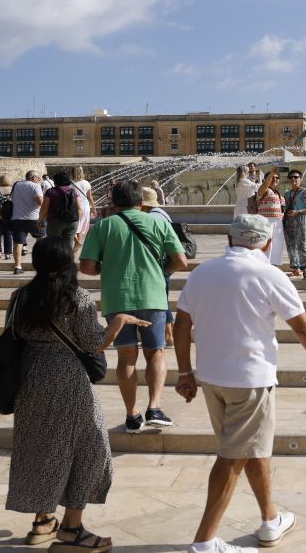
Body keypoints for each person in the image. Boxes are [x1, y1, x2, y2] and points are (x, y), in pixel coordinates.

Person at [174, 214, 306, 553]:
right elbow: (304, 328)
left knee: (251, 449)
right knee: (233, 456)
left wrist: (185, 372)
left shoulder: (202, 273)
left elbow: (182, 323)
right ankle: (204, 542)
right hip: (249, 380)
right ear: (266, 242)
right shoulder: (268, 273)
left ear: (230, 239)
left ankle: (269, 519)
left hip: (212, 378)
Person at [6, 236, 151, 552]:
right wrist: (119, 322)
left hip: (30, 375)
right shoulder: (77, 298)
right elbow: (93, 345)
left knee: (42, 444)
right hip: (67, 378)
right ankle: (72, 527)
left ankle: (42, 520)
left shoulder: (21, 296)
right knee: (91, 446)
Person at [79, 181, 188, 434]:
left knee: (126, 358)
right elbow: (180, 261)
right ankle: (155, 408)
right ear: (141, 202)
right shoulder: (159, 222)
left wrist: (106, 268)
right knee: (156, 352)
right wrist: (162, 272)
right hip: (153, 297)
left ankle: (132, 415)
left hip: (117, 299)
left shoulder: (104, 226)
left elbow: (86, 267)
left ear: (114, 203)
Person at [141, 187, 177, 344]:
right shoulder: (161, 214)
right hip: (165, 262)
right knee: (163, 298)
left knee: (161, 300)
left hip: (158, 264)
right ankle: (169, 333)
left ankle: (168, 334)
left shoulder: (152, 218)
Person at [10, 171, 45, 275]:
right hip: (34, 218)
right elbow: (40, 202)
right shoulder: (35, 186)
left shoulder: (17, 185)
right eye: (39, 178)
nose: (40, 180)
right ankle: (40, 265)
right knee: (40, 241)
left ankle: (17, 266)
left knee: (18, 243)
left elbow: (12, 198)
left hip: (17, 218)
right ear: (33, 177)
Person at [283, 169, 306, 279]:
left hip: (301, 220)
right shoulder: (287, 194)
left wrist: (298, 211)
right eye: (291, 177)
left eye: (296, 177)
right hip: (289, 222)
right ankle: (296, 269)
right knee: (291, 246)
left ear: (300, 178)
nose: (293, 179)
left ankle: (305, 269)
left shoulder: (305, 192)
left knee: (303, 244)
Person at [40, 171, 82, 247]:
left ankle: (56, 258)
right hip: (72, 221)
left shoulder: (50, 191)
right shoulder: (73, 191)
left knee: (53, 244)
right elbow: (79, 208)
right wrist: (77, 221)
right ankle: (67, 258)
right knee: (68, 245)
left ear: (55, 181)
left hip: (55, 220)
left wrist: (40, 220)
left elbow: (44, 208)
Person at [254, 169, 286, 267]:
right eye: (272, 177)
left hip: (278, 221)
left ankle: (274, 265)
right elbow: (264, 186)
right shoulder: (264, 190)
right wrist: (272, 172)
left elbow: (282, 209)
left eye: (277, 178)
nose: (275, 179)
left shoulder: (278, 194)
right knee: (266, 243)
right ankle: (264, 265)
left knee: (277, 244)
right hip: (266, 221)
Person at [72, 167, 93, 248]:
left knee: (72, 226)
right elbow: (90, 197)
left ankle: (77, 242)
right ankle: (77, 246)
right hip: (85, 207)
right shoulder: (87, 183)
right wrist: (93, 208)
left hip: (75, 207)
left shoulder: (70, 184)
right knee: (80, 228)